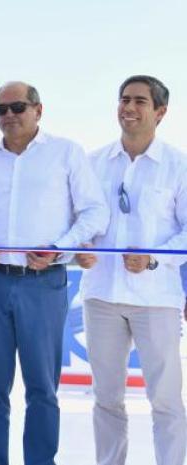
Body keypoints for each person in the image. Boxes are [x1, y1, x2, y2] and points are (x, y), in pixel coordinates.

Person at [0, 81, 109, 465]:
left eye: (17, 107)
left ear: (38, 110)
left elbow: (95, 212)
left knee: (42, 389)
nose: (9, 115)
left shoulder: (66, 154)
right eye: (0, 110)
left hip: (44, 285)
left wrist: (60, 248)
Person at [76, 75, 187, 465]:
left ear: (160, 112)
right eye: (124, 99)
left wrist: (153, 256)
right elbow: (81, 223)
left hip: (156, 299)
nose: (129, 107)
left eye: (140, 101)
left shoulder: (179, 166)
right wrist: (80, 250)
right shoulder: (92, 163)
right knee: (106, 398)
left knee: (166, 399)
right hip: (102, 296)